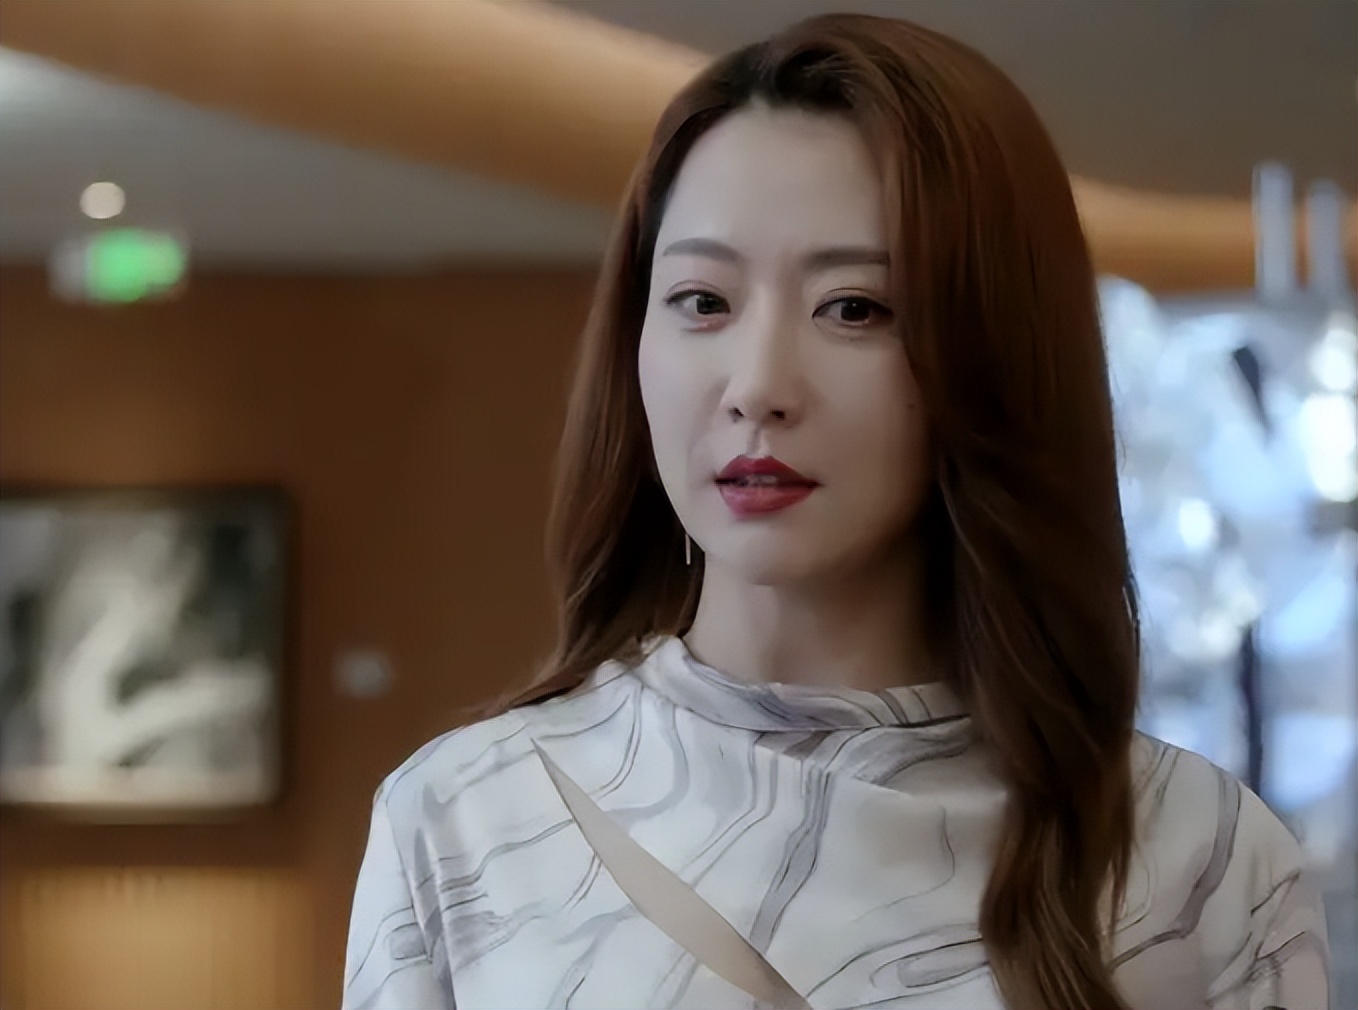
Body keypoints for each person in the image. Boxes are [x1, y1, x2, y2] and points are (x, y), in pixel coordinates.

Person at [341, 13, 1331, 1010]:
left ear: (992, 355)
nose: (757, 386)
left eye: (854, 307)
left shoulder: (1202, 864)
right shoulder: (460, 823)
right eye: (702, 301)